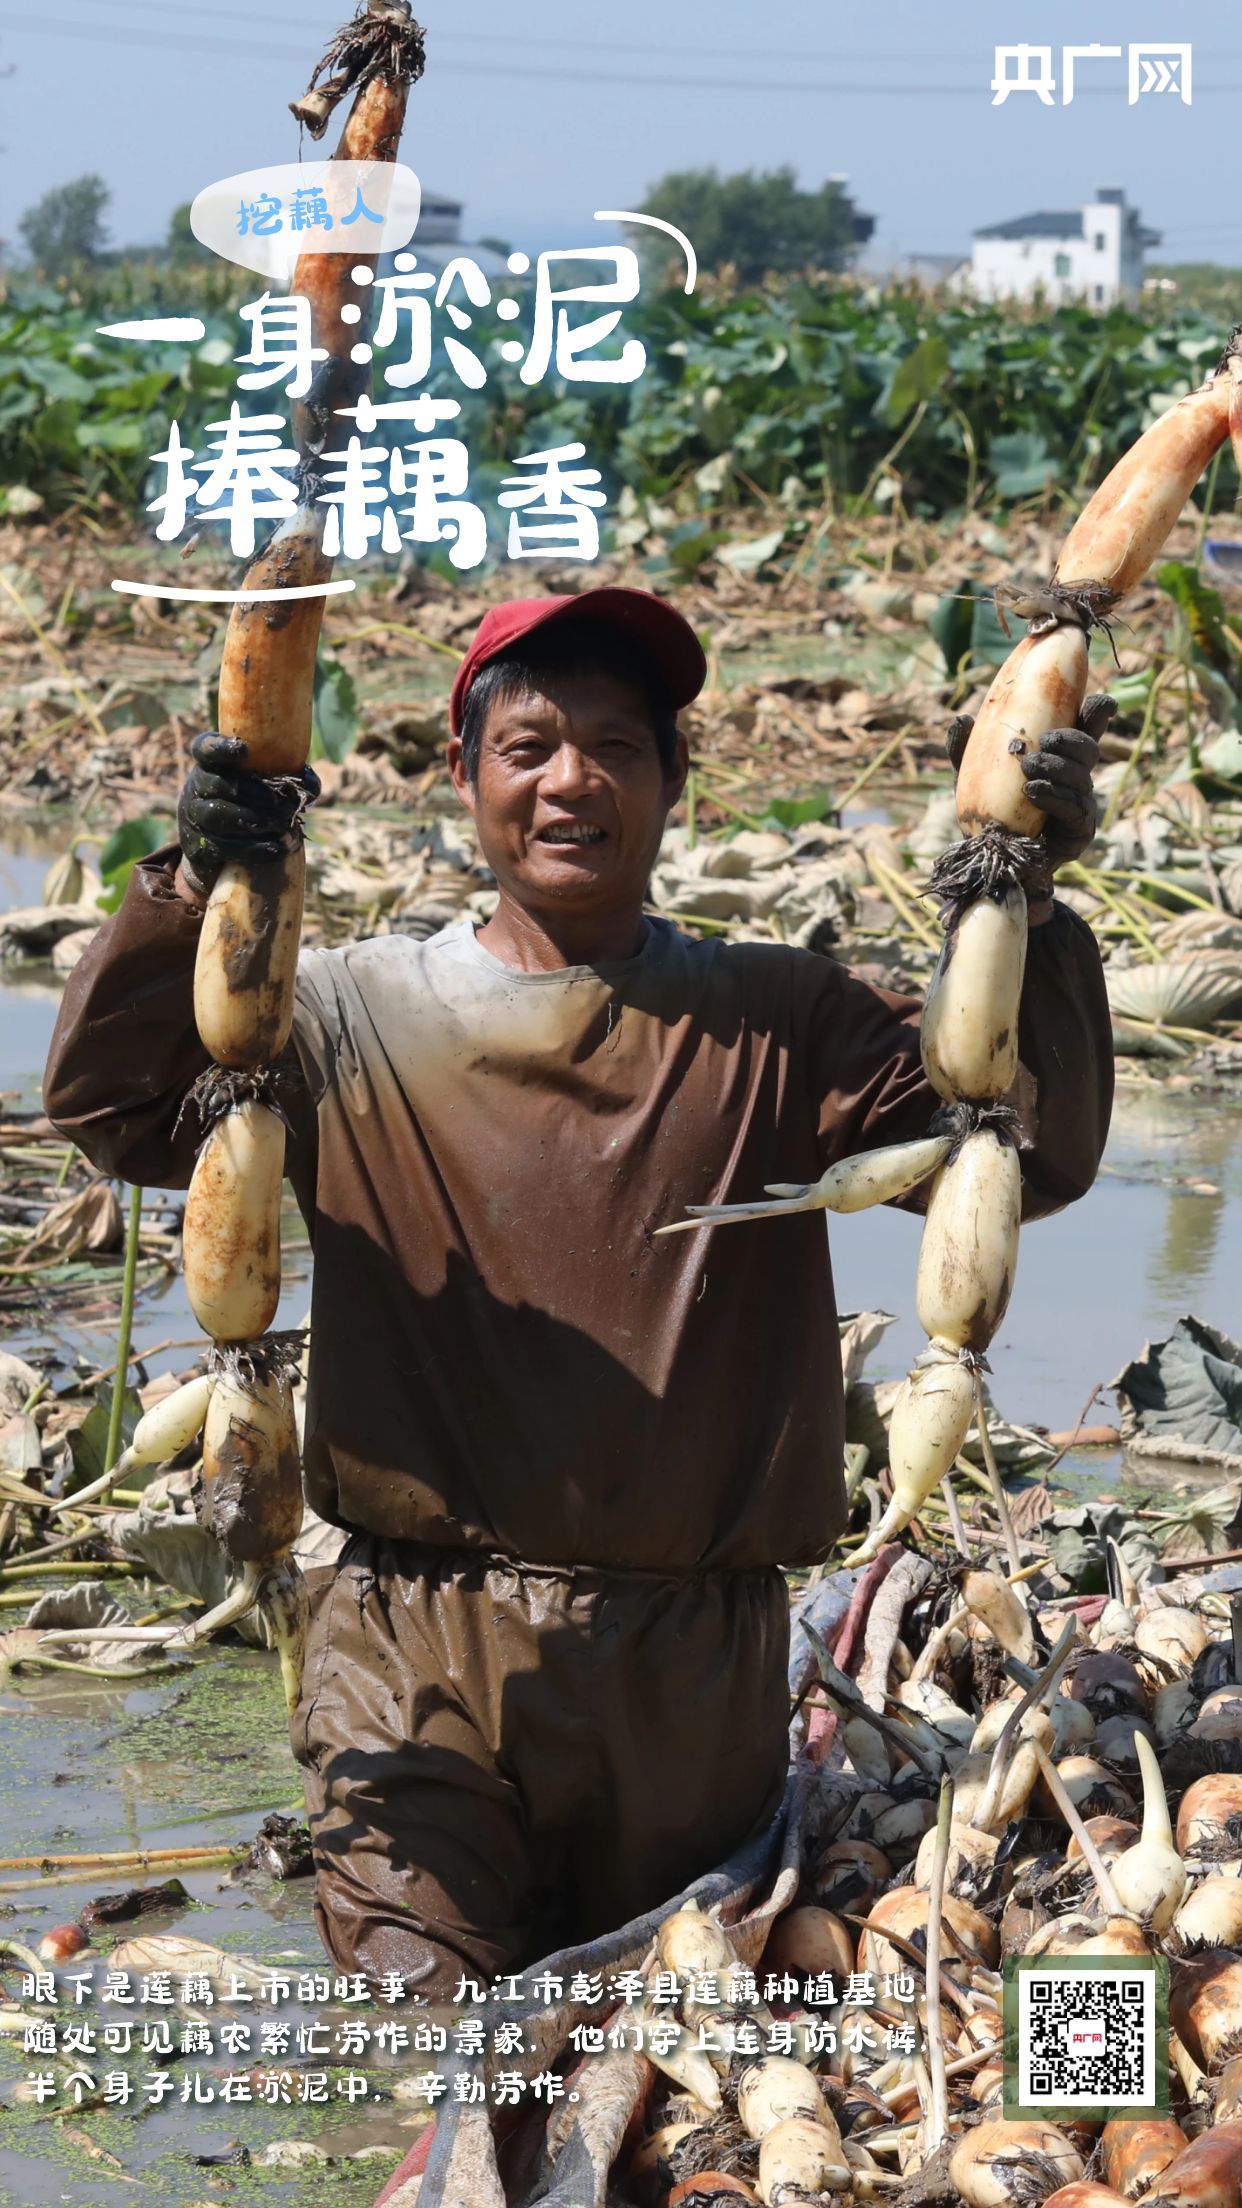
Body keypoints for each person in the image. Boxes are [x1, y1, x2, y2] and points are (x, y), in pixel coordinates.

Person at [42, 585, 1114, 1998]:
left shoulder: (778, 1021)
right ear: (463, 776)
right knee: (415, 2037)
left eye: (617, 744)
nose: (571, 780)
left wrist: (1027, 907)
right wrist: (191, 889)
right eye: (530, 743)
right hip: (411, 1648)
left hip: (691, 1669)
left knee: (650, 2048)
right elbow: (120, 1114)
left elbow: (1017, 1155)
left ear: (674, 782)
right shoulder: (344, 1015)